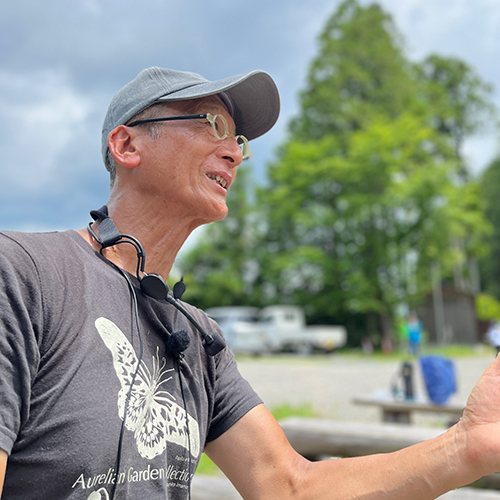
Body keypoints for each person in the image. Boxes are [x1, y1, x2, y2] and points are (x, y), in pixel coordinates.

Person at [1, 66, 500, 500]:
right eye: (212, 124)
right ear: (127, 144)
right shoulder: (23, 274)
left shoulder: (200, 338)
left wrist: (466, 447)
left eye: (238, 141)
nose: (234, 154)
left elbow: (290, 487)